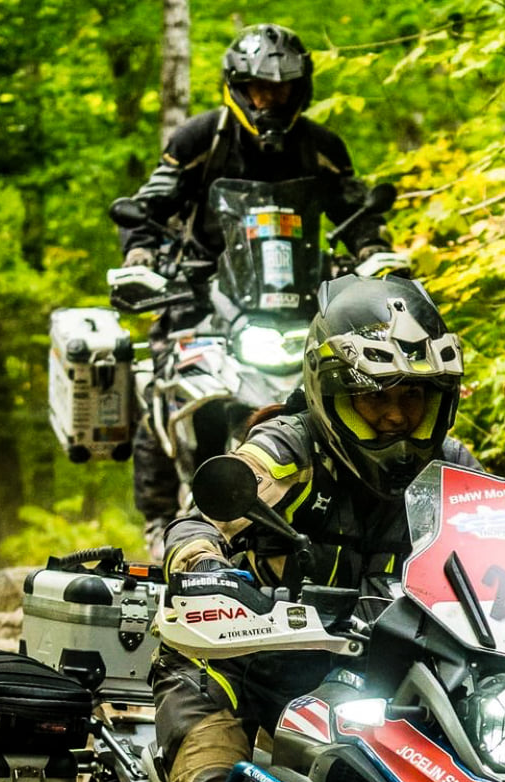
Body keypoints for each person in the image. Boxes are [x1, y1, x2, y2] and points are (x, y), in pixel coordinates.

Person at [124, 273, 478, 782]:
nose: (396, 418)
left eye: (415, 399)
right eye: (377, 399)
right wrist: (206, 562)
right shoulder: (288, 450)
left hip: (381, 687)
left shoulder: (454, 473)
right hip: (239, 673)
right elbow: (200, 518)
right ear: (329, 391)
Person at [118, 23, 395, 559]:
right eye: (261, 89)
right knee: (161, 374)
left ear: (301, 89)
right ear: (237, 87)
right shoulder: (200, 139)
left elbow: (358, 210)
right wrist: (141, 257)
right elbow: (148, 208)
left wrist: (374, 250)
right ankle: (158, 518)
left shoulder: (321, 147)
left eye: (283, 89)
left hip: (302, 297)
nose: (271, 99)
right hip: (203, 291)